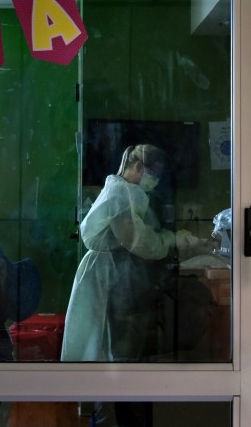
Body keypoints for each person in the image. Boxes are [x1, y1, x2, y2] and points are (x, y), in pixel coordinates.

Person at [61, 144, 177, 363]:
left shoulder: (123, 189)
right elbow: (137, 239)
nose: (156, 180)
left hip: (112, 268)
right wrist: (171, 241)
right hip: (105, 272)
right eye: (154, 174)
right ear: (139, 166)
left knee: (103, 342)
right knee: (109, 344)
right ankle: (109, 394)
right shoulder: (122, 192)